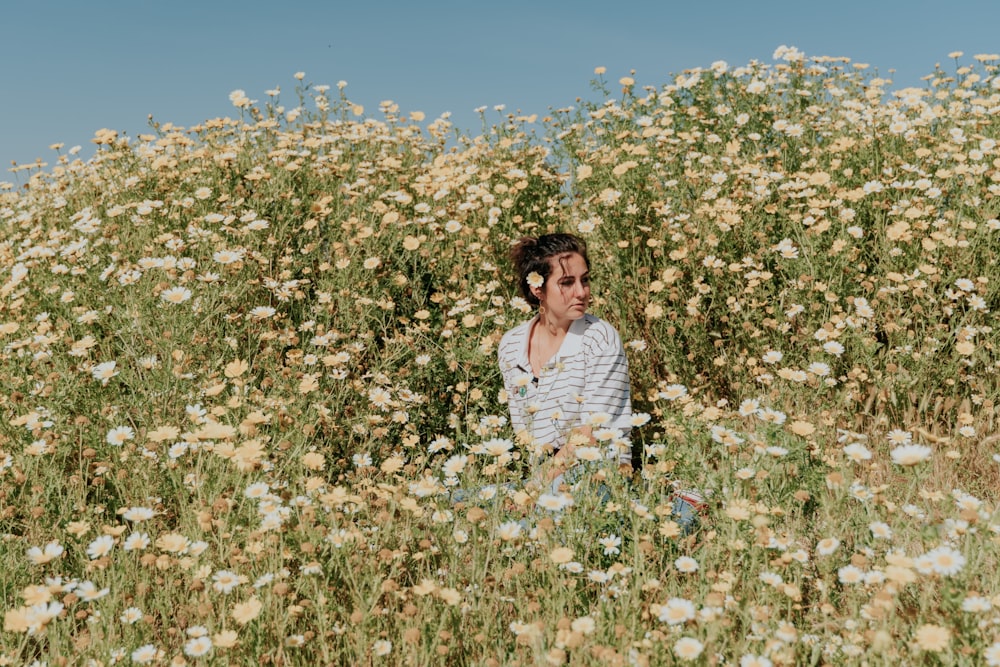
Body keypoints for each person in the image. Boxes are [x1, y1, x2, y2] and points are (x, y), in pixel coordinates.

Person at [497, 233, 633, 490]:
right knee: (456, 501)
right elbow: (525, 433)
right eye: (567, 283)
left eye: (585, 280)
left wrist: (533, 489)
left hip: (596, 471)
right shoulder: (511, 345)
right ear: (537, 289)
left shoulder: (599, 338)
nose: (581, 292)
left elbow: (591, 435)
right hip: (545, 475)